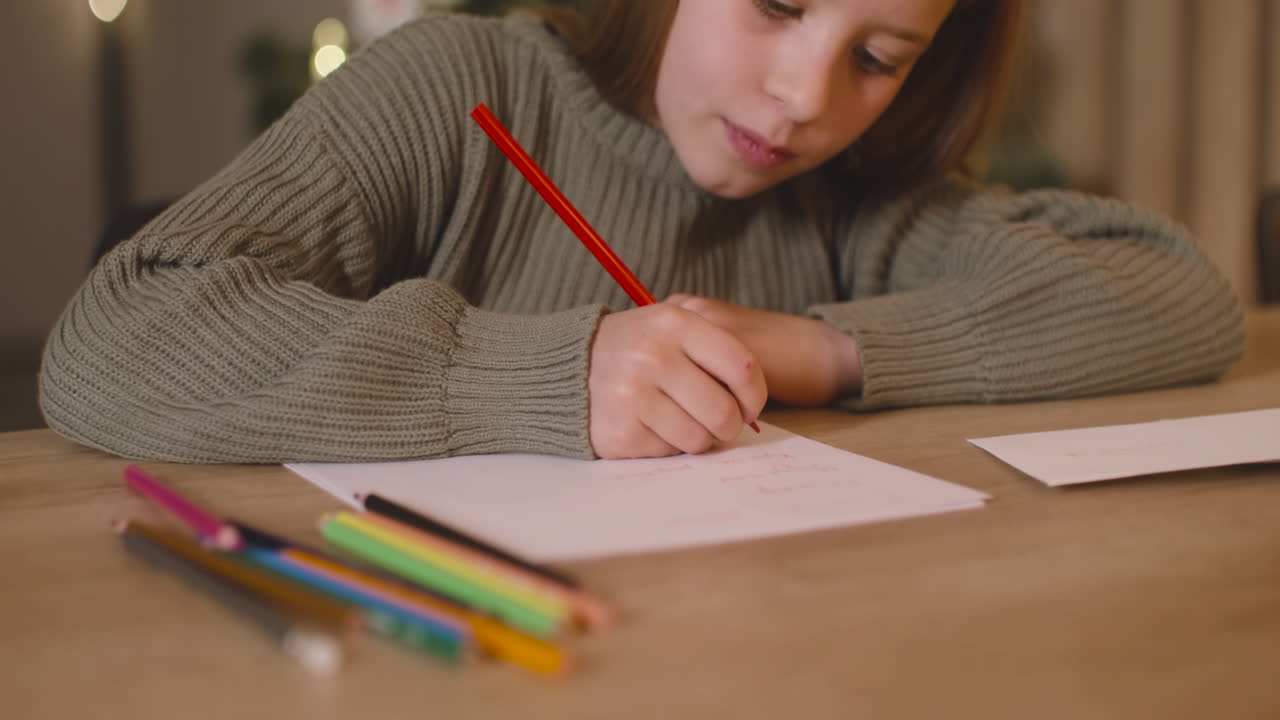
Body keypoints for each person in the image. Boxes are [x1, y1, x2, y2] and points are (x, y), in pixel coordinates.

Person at [39, 0, 1244, 464]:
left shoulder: (845, 188)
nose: (804, 100)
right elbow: (112, 336)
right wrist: (547, 374)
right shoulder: (461, 90)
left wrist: (808, 349)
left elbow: (1174, 294)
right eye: (776, 4)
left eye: (877, 59)